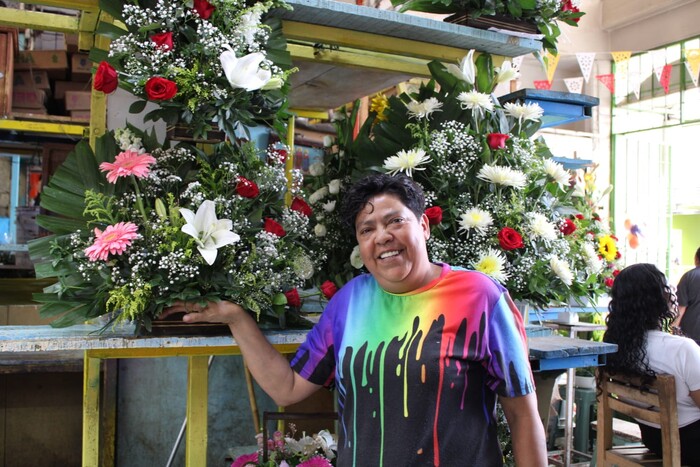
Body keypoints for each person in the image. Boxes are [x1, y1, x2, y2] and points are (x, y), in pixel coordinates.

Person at [164, 173, 547, 466]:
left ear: (424, 226)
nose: (382, 237)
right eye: (367, 230)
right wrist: (236, 319)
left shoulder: (480, 297)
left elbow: (522, 413)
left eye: (395, 221)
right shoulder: (350, 302)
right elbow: (287, 388)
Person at [601, 263, 700, 466]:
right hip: (691, 446)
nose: (672, 290)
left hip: (654, 441)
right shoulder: (682, 349)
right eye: (666, 286)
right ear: (657, 297)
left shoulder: (616, 346)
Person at [674, 247, 700, 344]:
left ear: (696, 259)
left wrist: (674, 328)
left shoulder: (689, 276)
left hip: (691, 332)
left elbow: (681, 307)